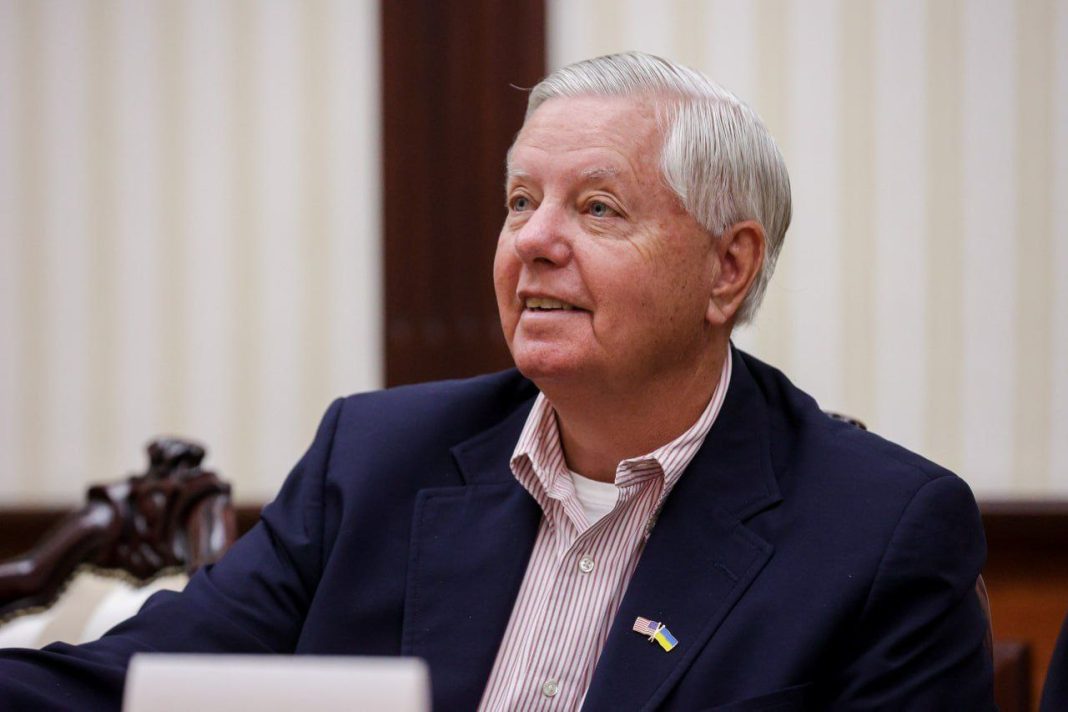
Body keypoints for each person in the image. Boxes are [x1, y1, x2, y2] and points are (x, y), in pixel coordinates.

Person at [0, 51, 993, 710]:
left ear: (727, 269)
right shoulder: (375, 460)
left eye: (597, 208)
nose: (534, 241)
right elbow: (134, 682)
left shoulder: (879, 532)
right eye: (521, 201)